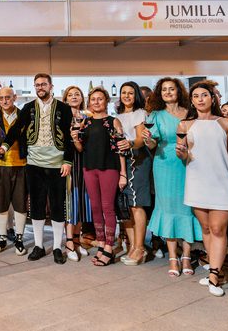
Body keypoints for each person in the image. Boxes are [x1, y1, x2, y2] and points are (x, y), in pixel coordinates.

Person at [0, 73, 74, 265]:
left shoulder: (64, 109)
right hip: (33, 164)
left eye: (43, 84)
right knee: (37, 205)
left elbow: (69, 136)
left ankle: (57, 246)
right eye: (37, 85)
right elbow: (15, 129)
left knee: (57, 206)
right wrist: (5, 146)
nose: (40, 87)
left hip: (57, 164)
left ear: (51, 86)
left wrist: (67, 161)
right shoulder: (28, 107)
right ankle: (39, 246)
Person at [176, 82, 228, 297]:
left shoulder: (225, 123)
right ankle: (216, 268)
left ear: (212, 98)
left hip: (222, 181)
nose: (200, 99)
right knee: (205, 229)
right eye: (196, 96)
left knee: (218, 229)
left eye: (204, 95)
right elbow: (183, 156)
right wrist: (181, 152)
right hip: (196, 181)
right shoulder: (184, 125)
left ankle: (214, 274)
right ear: (192, 100)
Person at [143, 78, 202, 278]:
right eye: (164, 89)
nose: (168, 92)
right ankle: (172, 256)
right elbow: (151, 145)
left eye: (172, 89)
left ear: (179, 91)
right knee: (167, 207)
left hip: (188, 163)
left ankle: (186, 255)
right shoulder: (155, 115)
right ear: (160, 93)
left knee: (188, 207)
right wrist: (148, 140)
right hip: (164, 163)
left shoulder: (190, 113)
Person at [71, 88, 126, 266]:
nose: (96, 102)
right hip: (89, 168)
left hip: (109, 168)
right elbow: (81, 149)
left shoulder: (113, 121)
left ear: (106, 101)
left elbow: (120, 149)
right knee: (95, 207)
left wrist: (123, 173)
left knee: (107, 207)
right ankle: (101, 243)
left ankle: (109, 247)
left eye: (100, 99)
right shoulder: (85, 123)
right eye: (93, 99)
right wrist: (75, 139)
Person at [115, 82, 153, 266]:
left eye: (131, 93)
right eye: (124, 93)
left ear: (136, 95)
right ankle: (132, 246)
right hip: (122, 162)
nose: (127, 96)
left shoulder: (140, 113)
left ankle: (140, 248)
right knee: (126, 206)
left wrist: (130, 144)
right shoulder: (118, 116)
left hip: (138, 160)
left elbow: (140, 140)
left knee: (137, 205)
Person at [0, 87, 28, 256]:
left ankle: (19, 238)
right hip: (0, 165)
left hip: (21, 163)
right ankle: (2, 237)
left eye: (8, 97)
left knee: (20, 202)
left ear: (15, 97)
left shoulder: (24, 116)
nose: (4, 101)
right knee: (1, 203)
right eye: (1, 98)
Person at [62, 85, 91, 261]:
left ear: (82, 98)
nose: (74, 97)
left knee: (82, 201)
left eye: (77, 94)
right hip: (68, 162)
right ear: (65, 99)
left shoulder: (88, 118)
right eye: (70, 95)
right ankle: (69, 241)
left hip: (84, 162)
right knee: (70, 201)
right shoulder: (62, 118)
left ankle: (78, 239)